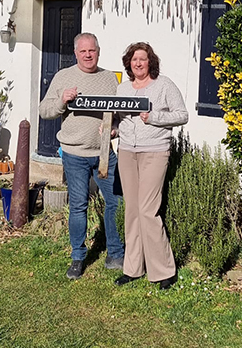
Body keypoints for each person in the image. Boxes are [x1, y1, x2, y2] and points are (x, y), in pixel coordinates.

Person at [39, 32, 125, 280]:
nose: (88, 55)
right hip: (74, 154)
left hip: (104, 154)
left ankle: (115, 253)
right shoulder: (63, 77)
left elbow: (119, 115)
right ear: (76, 53)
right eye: (83, 51)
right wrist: (62, 101)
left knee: (115, 202)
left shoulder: (110, 79)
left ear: (98, 51)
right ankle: (78, 258)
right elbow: (44, 110)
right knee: (78, 206)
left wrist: (115, 130)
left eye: (93, 50)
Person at [114, 42, 188, 290]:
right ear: (129, 63)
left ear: (150, 62)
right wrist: (113, 130)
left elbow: (182, 115)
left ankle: (164, 270)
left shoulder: (164, 85)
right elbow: (116, 117)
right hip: (126, 152)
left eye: (142, 59)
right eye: (134, 60)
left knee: (148, 210)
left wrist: (154, 118)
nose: (138, 63)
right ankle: (133, 268)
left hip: (155, 151)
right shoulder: (122, 88)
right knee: (132, 210)